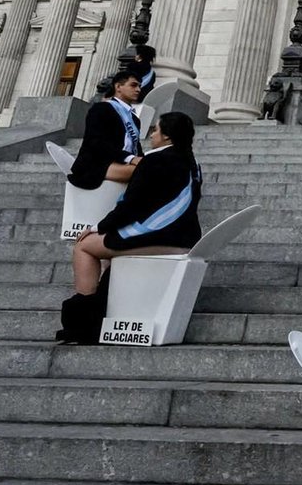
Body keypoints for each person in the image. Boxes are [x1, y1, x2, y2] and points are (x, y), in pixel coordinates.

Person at [58, 111, 204, 344]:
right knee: (106, 255)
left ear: (167, 136)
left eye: (155, 130)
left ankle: (83, 322)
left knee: (84, 246)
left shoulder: (155, 160)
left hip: (158, 236)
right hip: (184, 238)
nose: (152, 135)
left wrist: (97, 227)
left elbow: (131, 204)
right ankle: (104, 307)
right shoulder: (192, 164)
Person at [68, 71, 143, 189]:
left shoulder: (134, 118)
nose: (138, 89)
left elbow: (136, 146)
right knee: (146, 170)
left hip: (123, 163)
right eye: (133, 85)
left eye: (139, 86)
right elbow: (96, 142)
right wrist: (131, 158)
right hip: (97, 163)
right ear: (118, 87)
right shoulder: (101, 109)